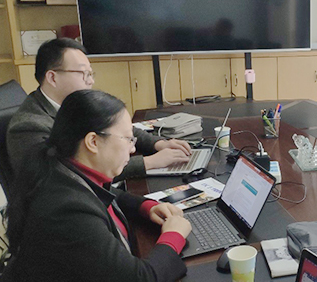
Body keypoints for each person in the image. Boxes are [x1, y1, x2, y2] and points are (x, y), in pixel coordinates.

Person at [6, 89, 192, 282]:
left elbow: (106, 193)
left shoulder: (62, 169)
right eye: (127, 139)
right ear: (93, 141)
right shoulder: (66, 209)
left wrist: (145, 206)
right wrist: (174, 235)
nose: (133, 147)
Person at [7, 37, 192, 179]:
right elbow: (70, 174)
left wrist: (158, 144)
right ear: (52, 78)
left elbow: (116, 128)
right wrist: (150, 162)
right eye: (83, 74)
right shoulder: (28, 126)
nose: (91, 81)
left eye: (91, 74)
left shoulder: (73, 104)